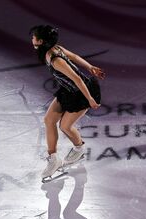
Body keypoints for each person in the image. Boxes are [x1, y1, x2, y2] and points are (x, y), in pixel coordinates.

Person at [29, 25, 105, 180]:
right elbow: (75, 57)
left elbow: (77, 79)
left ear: (41, 41)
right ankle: (54, 159)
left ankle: (79, 149)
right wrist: (90, 67)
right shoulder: (54, 49)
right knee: (49, 120)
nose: (32, 38)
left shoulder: (56, 59)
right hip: (68, 91)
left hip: (82, 93)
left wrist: (90, 99)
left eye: (34, 37)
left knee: (65, 126)